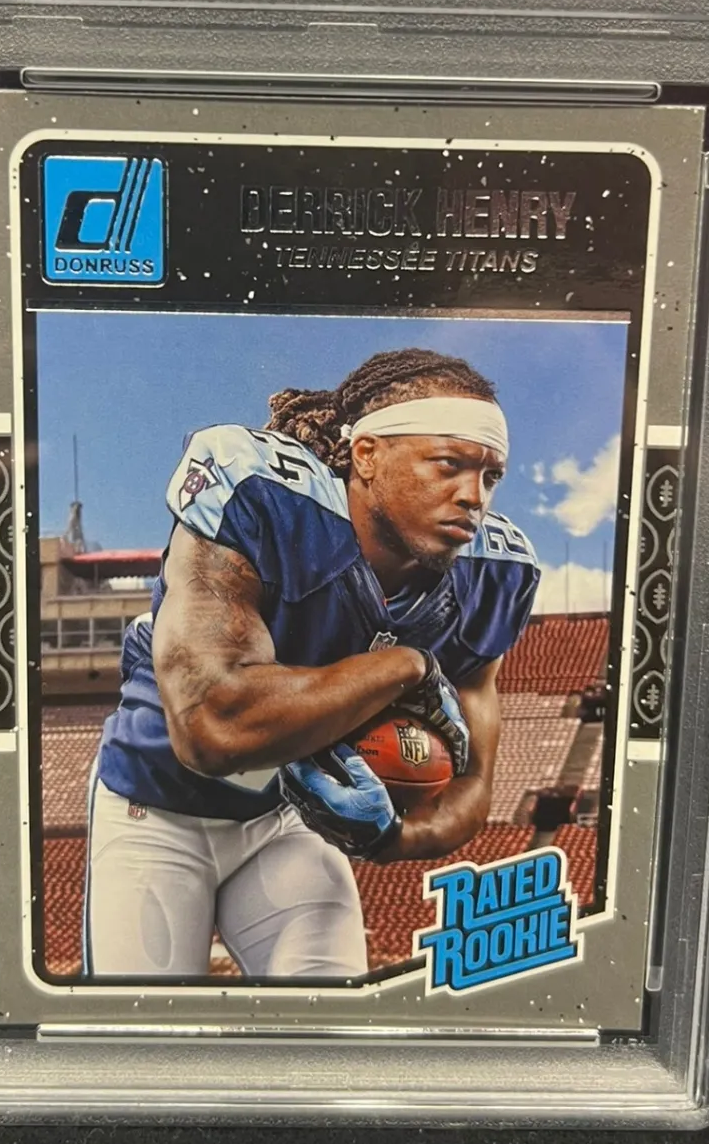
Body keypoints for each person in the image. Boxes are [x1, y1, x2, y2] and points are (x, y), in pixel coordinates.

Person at [83, 347, 539, 980]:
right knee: (142, 1027)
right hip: (157, 807)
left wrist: (392, 837)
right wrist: (403, 666)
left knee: (331, 1019)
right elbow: (213, 727)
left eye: (491, 476)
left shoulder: (494, 571)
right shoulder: (261, 495)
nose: (473, 497)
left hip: (286, 820)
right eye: (449, 465)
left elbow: (473, 787)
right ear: (367, 455)